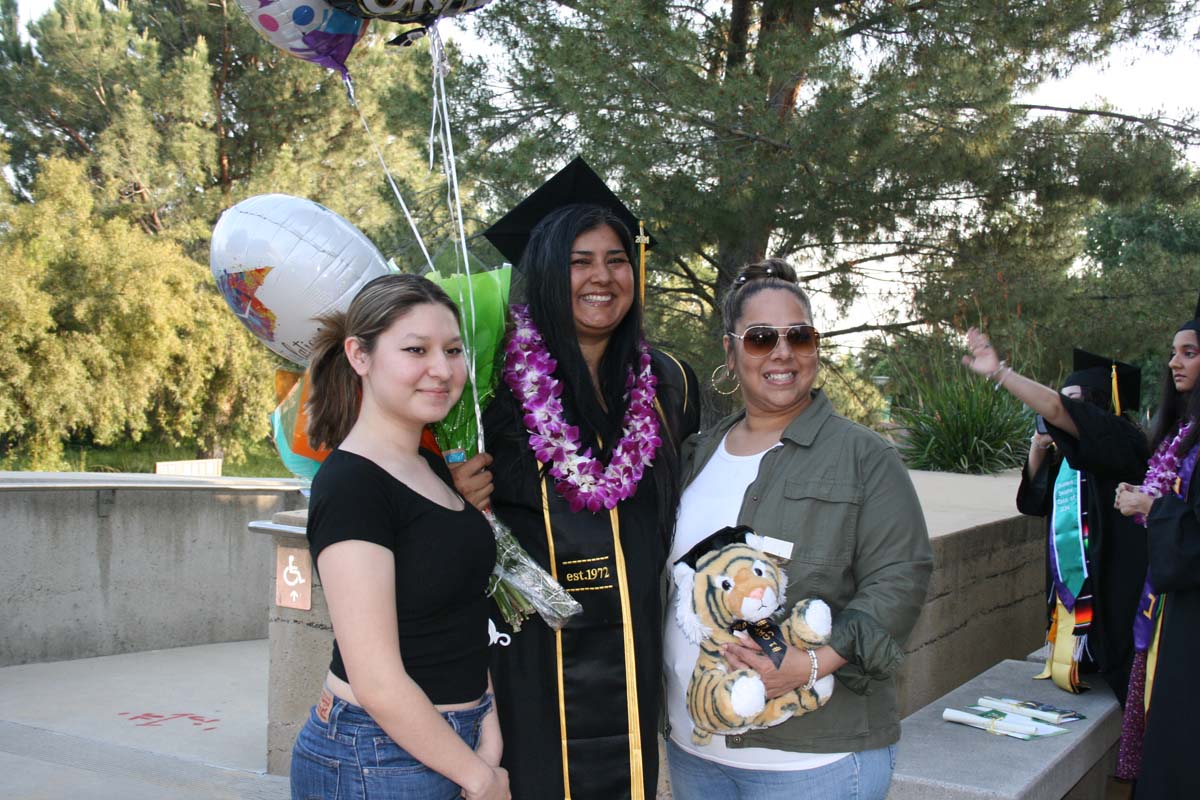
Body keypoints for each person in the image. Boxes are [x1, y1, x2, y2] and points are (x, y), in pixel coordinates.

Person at [451, 157, 700, 800]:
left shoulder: (668, 383)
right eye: (579, 260)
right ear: (543, 272)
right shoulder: (489, 387)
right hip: (527, 653)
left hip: (634, 643)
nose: (602, 276)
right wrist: (451, 492)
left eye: (617, 259)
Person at [662, 259, 932, 800]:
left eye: (799, 336)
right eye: (761, 338)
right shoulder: (697, 453)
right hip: (695, 752)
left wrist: (811, 664)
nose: (782, 353)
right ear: (731, 351)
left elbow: (902, 578)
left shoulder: (864, 456)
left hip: (815, 762)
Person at [290, 274, 509, 800]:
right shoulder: (350, 485)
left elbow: (462, 614)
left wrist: (488, 728)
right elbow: (376, 678)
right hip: (374, 756)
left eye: (453, 350)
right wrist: (480, 778)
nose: (442, 369)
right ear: (359, 356)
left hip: (455, 747)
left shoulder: (429, 465)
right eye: (416, 349)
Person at [962, 334, 1148, 704]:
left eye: (1072, 402)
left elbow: (1059, 411)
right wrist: (1037, 447)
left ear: (1096, 404)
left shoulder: (1121, 440)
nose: (1058, 412)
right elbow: (1032, 503)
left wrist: (1000, 373)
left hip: (1114, 581)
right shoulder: (1067, 459)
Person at [1112, 306, 1200, 798]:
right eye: (1173, 353)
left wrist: (1152, 505)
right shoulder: (1186, 432)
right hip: (1178, 612)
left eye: (1189, 353)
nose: (1173, 363)